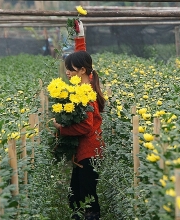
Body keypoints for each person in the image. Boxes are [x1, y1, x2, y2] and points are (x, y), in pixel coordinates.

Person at [53, 20, 106, 220]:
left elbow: (86, 126)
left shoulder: (87, 94)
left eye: (70, 68)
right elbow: (82, 57)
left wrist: (61, 128)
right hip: (85, 151)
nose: (67, 71)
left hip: (89, 150)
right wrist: (80, 35)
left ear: (82, 70)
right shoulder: (86, 81)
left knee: (86, 198)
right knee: (76, 195)